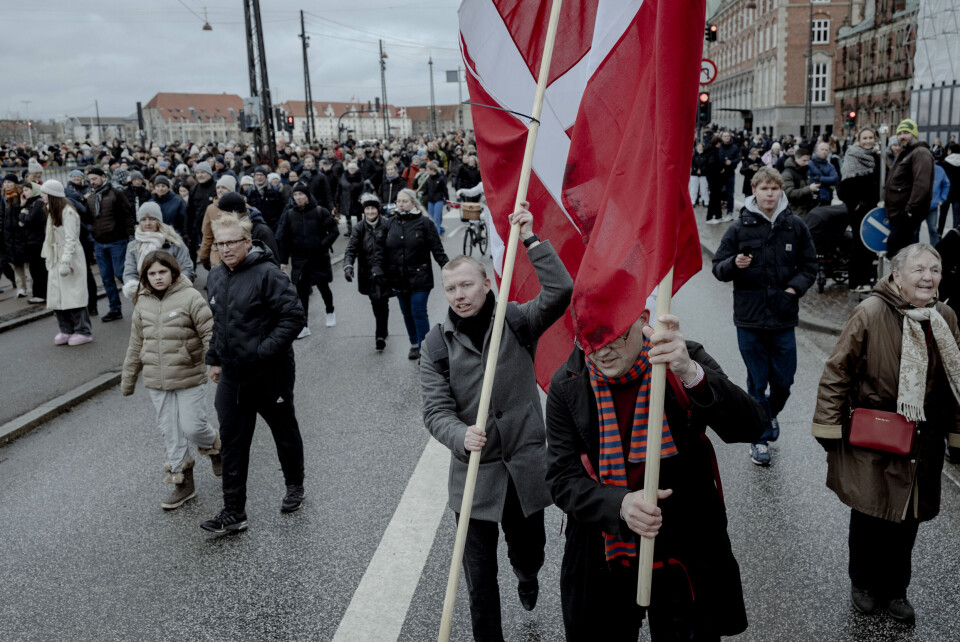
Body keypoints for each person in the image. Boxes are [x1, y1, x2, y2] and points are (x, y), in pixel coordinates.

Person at [545, 302, 765, 641]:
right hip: (605, 552)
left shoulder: (680, 357)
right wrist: (619, 504)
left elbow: (752, 426)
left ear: (643, 321)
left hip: (683, 549)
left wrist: (691, 373)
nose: (602, 350)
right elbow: (561, 479)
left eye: (615, 336)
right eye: (590, 338)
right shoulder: (568, 382)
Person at [421, 203, 574, 641]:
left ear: (487, 284)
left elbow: (560, 290)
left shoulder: (517, 320)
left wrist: (530, 239)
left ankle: (527, 576)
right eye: (451, 289)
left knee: (530, 553)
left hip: (524, 473)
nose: (459, 295)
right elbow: (435, 412)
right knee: (478, 581)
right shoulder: (436, 346)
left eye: (467, 284)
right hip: (474, 477)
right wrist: (458, 434)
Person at [812, 243, 960, 624]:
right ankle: (862, 583)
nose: (928, 277)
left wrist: (956, 434)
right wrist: (828, 425)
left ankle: (896, 591)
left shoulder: (944, 317)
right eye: (919, 270)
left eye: (935, 269)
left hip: (922, 440)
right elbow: (837, 371)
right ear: (896, 275)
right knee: (870, 513)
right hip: (874, 435)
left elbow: (955, 383)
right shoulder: (870, 312)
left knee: (906, 521)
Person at [201, 212, 306, 534]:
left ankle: (294, 486)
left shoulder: (268, 274)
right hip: (233, 374)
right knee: (232, 441)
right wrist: (215, 358)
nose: (226, 249)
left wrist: (263, 352)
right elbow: (220, 323)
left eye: (232, 242)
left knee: (283, 430)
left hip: (269, 372)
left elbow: (293, 317)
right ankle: (234, 512)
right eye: (220, 244)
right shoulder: (216, 276)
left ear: (247, 241)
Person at [712, 167, 817, 466]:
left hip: (783, 317)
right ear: (754, 191)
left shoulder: (794, 226)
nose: (769, 194)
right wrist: (735, 263)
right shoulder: (739, 227)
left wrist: (793, 291)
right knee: (757, 383)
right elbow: (718, 268)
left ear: (780, 191)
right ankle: (759, 439)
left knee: (784, 382)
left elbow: (809, 266)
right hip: (749, 320)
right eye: (764, 189)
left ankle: (767, 415)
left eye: (774, 188)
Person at [121, 250, 220, 510]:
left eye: (162, 272)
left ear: (173, 272)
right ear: (145, 277)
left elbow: (210, 332)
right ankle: (183, 484)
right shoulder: (142, 303)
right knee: (170, 432)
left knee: (193, 427)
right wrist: (128, 378)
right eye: (151, 273)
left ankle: (214, 446)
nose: (157, 277)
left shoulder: (190, 297)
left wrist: (216, 363)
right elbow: (136, 344)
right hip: (157, 380)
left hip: (189, 376)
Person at [381, 188, 449, 359]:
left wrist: (448, 269)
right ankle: (413, 343)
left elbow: (437, 250)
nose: (401, 204)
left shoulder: (425, 223)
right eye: (398, 201)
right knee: (406, 312)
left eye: (404, 201)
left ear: (413, 203)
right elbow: (380, 250)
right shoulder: (389, 223)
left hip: (421, 277)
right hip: (398, 278)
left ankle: (424, 348)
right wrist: (378, 270)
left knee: (418, 311)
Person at [276, 184, 339, 337]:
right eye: (295, 195)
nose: (298, 197)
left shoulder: (320, 211)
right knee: (302, 293)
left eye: (301, 194)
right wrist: (283, 261)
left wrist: (322, 246)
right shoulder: (290, 215)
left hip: (318, 258)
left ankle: (330, 311)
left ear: (307, 196)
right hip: (300, 260)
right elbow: (284, 239)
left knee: (323, 287)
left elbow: (334, 231)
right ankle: (304, 325)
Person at [39, 180, 91, 346]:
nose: (42, 196)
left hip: (69, 257)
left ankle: (83, 330)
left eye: (45, 193)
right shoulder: (51, 210)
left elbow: (71, 239)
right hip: (56, 256)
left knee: (74, 295)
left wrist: (66, 261)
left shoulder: (67, 212)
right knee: (57, 296)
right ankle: (66, 329)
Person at [83, 166, 135, 322]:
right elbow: (88, 219)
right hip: (99, 243)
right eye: (90, 180)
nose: (92, 182)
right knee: (106, 278)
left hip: (117, 241)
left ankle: (141, 303)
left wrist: (131, 236)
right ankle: (115, 309)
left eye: (95, 179)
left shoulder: (116, 194)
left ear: (103, 177)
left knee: (121, 274)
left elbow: (128, 215)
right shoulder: (90, 198)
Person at [343, 193, 390, 351]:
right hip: (367, 273)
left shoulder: (387, 225)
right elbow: (351, 249)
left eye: (373, 208)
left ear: (378, 210)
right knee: (376, 302)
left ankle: (380, 335)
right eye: (367, 209)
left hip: (385, 272)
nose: (370, 212)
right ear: (364, 211)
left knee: (382, 301)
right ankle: (383, 328)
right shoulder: (359, 228)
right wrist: (348, 266)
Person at [122, 202, 195, 299]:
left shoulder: (174, 242)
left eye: (152, 219)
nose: (148, 223)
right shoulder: (133, 246)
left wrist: (175, 288)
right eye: (143, 220)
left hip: (174, 294)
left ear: (159, 221)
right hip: (144, 295)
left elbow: (187, 268)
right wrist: (134, 288)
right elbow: (130, 272)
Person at [839, 127, 882, 292]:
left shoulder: (877, 156)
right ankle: (856, 282)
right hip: (858, 210)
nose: (868, 141)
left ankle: (866, 278)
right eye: (864, 138)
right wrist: (855, 205)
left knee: (871, 246)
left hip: (874, 208)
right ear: (859, 139)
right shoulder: (852, 156)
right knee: (859, 245)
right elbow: (842, 188)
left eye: (871, 137)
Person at [884, 119, 935, 257]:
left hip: (906, 212)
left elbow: (921, 185)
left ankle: (902, 278)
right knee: (900, 252)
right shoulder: (907, 152)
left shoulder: (920, 153)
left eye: (906, 132)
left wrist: (910, 210)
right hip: (899, 212)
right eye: (899, 133)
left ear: (914, 134)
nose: (902, 136)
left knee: (897, 250)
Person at [13, 182, 48, 305]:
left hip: (37, 241)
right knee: (34, 269)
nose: (24, 193)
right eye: (23, 190)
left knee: (38, 270)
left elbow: (30, 220)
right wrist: (22, 206)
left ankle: (41, 294)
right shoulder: (29, 203)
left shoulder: (38, 203)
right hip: (30, 241)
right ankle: (39, 294)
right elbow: (18, 218)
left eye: (27, 190)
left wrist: (22, 214)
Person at [917, 161, 950, 247]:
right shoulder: (918, 168)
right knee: (915, 230)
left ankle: (935, 249)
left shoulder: (939, 170)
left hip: (932, 206)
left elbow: (946, 184)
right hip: (918, 205)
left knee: (933, 229)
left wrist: (942, 199)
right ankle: (914, 250)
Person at [781, 147, 820, 219]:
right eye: (804, 160)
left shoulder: (803, 170)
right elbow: (789, 193)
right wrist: (809, 189)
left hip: (806, 209)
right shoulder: (787, 174)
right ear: (796, 158)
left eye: (808, 160)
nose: (806, 163)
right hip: (795, 211)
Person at [246, 165, 284, 232]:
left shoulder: (274, 190)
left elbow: (281, 208)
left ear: (266, 177)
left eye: (261, 175)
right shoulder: (249, 192)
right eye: (257, 175)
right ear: (254, 177)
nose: (259, 177)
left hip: (273, 226)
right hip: (256, 226)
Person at [336, 161, 365, 233]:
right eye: (350, 168)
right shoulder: (343, 176)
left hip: (357, 199)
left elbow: (364, 188)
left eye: (353, 168)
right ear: (347, 169)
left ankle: (359, 229)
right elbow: (339, 187)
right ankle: (349, 231)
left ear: (356, 169)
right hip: (346, 199)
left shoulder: (360, 176)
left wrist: (361, 196)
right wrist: (337, 198)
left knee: (359, 215)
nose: (351, 170)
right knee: (347, 215)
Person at [808, 141, 840, 206]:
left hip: (826, 198)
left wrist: (820, 178)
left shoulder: (830, 166)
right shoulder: (809, 164)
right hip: (812, 197)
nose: (824, 151)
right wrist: (827, 180)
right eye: (822, 149)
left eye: (826, 150)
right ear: (816, 151)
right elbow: (809, 179)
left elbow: (835, 178)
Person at [718, 131, 740, 221]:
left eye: (728, 136)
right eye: (725, 136)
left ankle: (729, 213)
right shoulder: (719, 147)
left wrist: (731, 162)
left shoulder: (734, 147)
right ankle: (718, 213)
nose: (727, 137)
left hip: (730, 173)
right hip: (720, 173)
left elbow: (738, 158)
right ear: (722, 137)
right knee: (718, 193)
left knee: (730, 194)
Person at [939, 143, 960, 233]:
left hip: (946, 193)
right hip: (958, 193)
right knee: (957, 216)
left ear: (950, 151)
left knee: (943, 214)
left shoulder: (944, 163)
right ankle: (956, 234)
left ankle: (939, 232)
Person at [689, 142, 710, 208]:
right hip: (694, 174)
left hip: (703, 174)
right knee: (693, 189)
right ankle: (693, 201)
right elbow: (692, 164)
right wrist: (696, 170)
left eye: (701, 147)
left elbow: (706, 164)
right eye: (698, 147)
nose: (700, 148)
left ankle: (706, 201)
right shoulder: (693, 156)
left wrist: (701, 170)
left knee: (704, 189)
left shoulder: (706, 156)